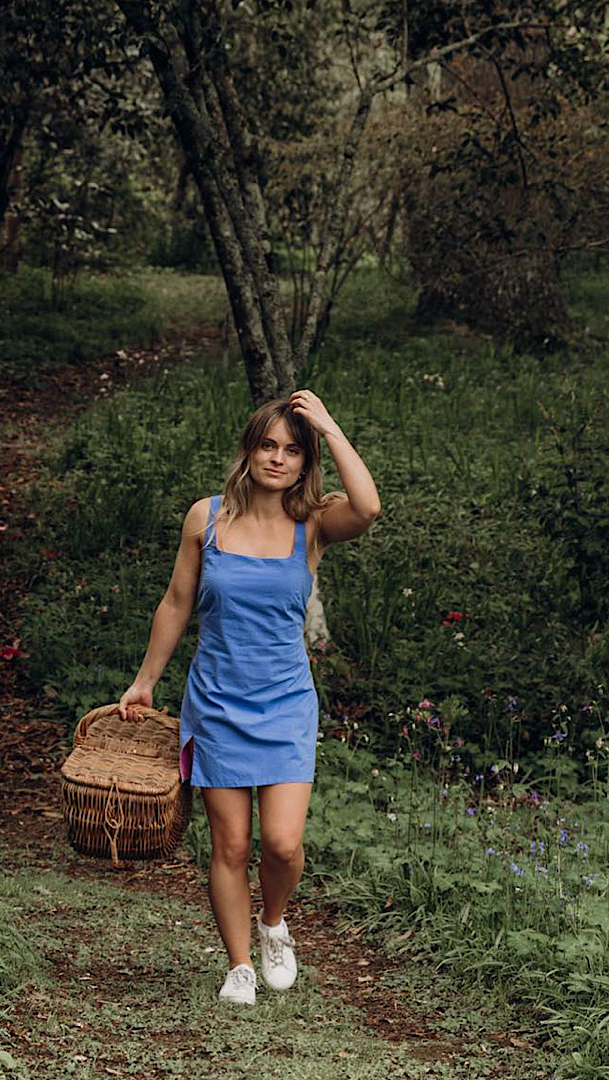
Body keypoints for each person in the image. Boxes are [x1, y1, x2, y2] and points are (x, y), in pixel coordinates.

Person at [119, 388, 380, 1006]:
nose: (278, 458)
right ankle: (239, 966)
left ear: (304, 461)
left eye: (292, 450)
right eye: (268, 445)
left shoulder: (312, 523)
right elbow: (177, 603)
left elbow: (368, 509)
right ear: (248, 450)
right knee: (231, 845)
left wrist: (330, 425)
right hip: (215, 700)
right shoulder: (205, 518)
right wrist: (146, 680)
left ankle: (273, 924)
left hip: (287, 702)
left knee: (284, 844)